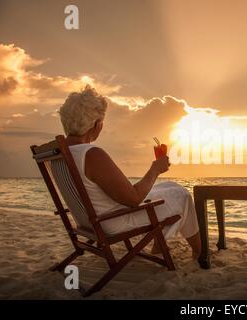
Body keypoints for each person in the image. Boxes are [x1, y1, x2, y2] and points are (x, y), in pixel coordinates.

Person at [59, 86, 201, 259]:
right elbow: (133, 199)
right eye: (101, 122)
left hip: (89, 221)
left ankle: (159, 245)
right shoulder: (90, 154)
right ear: (96, 124)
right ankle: (200, 252)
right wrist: (155, 169)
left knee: (171, 186)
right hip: (112, 222)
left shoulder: (60, 154)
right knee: (182, 195)